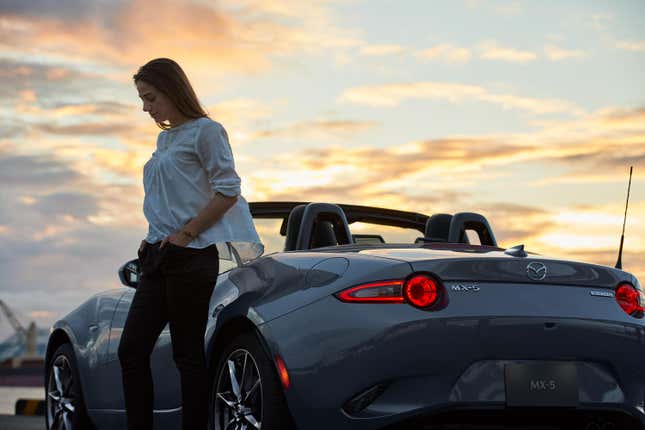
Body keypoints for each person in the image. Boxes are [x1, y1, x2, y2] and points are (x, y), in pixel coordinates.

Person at [117, 58, 263, 430]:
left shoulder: (207, 131)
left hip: (191, 256)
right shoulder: (165, 138)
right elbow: (170, 196)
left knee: (187, 355)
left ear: (172, 90)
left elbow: (228, 190)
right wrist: (155, 235)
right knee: (131, 349)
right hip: (156, 255)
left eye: (151, 98)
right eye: (142, 100)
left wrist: (185, 234)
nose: (146, 108)